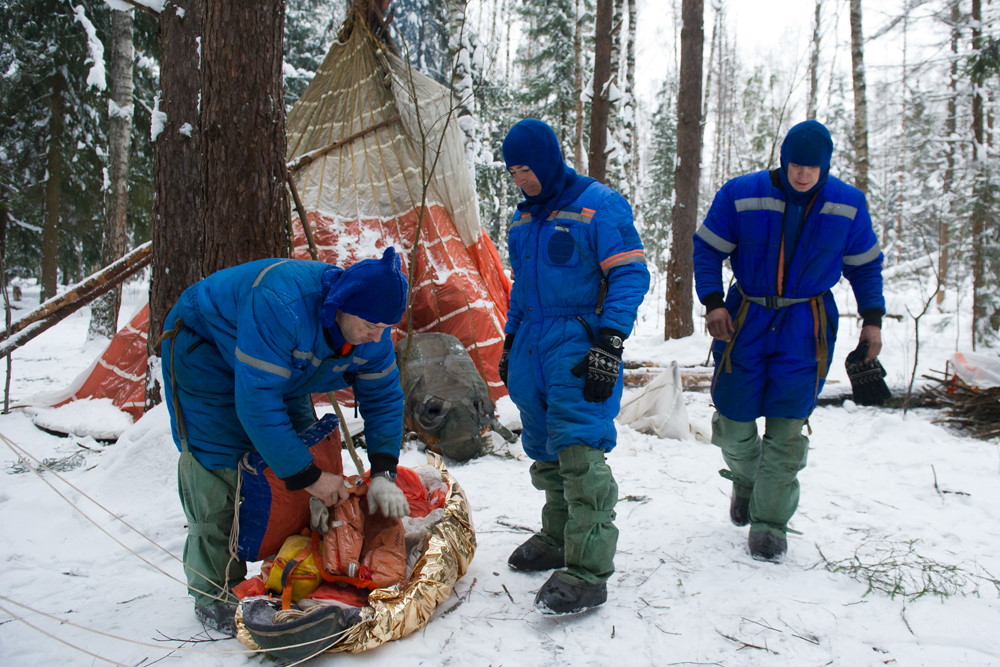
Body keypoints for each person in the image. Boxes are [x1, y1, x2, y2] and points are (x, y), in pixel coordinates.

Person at [160, 248, 411, 635]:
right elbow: (258, 404)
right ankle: (214, 592)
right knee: (221, 465)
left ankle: (288, 566)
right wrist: (310, 476)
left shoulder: (372, 327)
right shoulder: (282, 304)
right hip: (204, 351)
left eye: (385, 327)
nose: (376, 337)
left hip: (286, 365)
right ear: (341, 306)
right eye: (369, 325)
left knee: (302, 453)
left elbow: (384, 397)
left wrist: (383, 471)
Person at [693, 120, 885, 563]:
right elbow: (707, 249)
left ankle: (770, 523)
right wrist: (713, 301)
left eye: (812, 168)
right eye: (796, 165)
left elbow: (865, 267)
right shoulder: (742, 193)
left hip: (807, 325)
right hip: (745, 320)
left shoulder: (848, 204)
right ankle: (746, 481)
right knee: (734, 425)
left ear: (826, 166)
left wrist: (872, 321)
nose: (803, 175)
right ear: (784, 160)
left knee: (787, 428)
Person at [498, 118, 650, 614]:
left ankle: (587, 571)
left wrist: (610, 340)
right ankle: (558, 536)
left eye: (526, 169)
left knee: (581, 455)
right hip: (533, 347)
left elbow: (629, 274)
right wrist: (510, 341)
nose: (521, 179)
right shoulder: (521, 221)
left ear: (546, 161)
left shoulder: (599, 206)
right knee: (545, 452)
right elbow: (520, 289)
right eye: (513, 171)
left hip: (580, 344)